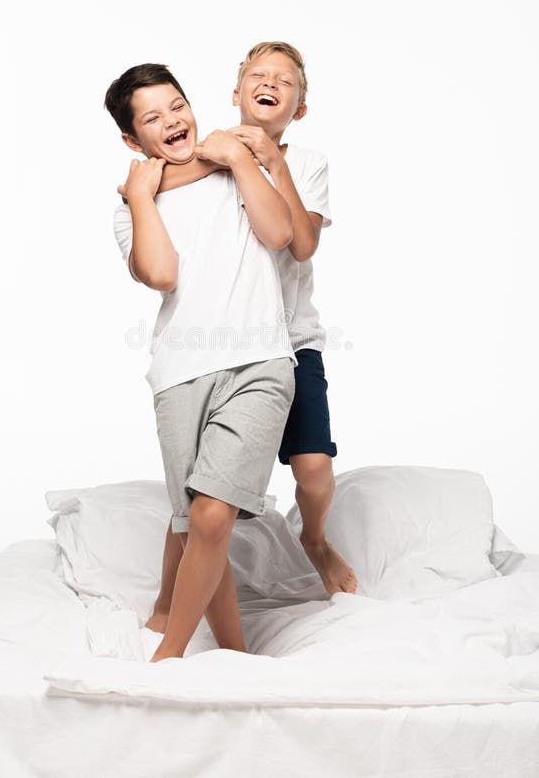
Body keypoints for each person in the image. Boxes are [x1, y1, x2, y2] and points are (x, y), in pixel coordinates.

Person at [146, 43, 357, 637]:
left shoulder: (306, 161)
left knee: (313, 468)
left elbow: (302, 243)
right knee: (201, 494)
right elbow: (170, 188)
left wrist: (272, 162)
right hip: (228, 346)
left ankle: (313, 538)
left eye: (285, 82)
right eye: (257, 77)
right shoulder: (210, 149)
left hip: (294, 338)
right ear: (235, 93)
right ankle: (167, 601)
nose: (270, 84)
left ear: (301, 107)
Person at [106, 63, 297, 661]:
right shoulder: (131, 208)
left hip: (260, 362)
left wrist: (241, 162)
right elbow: (161, 273)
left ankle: (169, 658)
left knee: (213, 516)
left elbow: (278, 233)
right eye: (153, 118)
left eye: (177, 105)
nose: (173, 122)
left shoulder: (234, 168)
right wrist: (141, 195)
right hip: (178, 377)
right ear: (133, 141)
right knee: (195, 525)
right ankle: (235, 656)